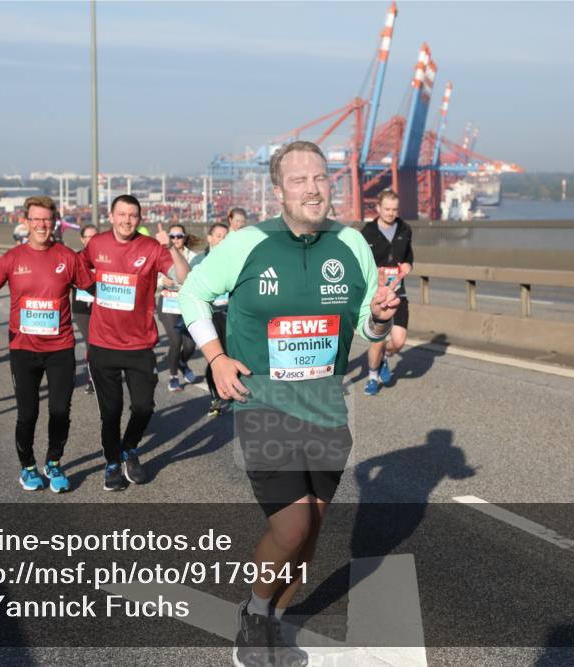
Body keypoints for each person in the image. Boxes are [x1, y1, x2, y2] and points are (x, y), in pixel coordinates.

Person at [178, 141, 399, 667]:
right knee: (292, 527)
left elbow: (367, 324)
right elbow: (193, 293)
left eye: (321, 178)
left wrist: (383, 319)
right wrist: (216, 357)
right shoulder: (248, 242)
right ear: (277, 191)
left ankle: (274, 626)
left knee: (310, 537)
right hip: (263, 407)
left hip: (326, 410)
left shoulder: (351, 243)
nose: (313, 189)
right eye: (299, 181)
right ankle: (253, 616)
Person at [0, 196, 94, 493]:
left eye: (47, 219)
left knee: (60, 410)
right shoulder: (12, 258)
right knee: (28, 413)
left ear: (55, 222)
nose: (42, 225)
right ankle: (28, 467)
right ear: (25, 222)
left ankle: (54, 463)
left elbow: (95, 289)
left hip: (60, 347)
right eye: (36, 219)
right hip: (23, 348)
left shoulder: (67, 257)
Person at [78, 194, 191, 491]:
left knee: (143, 406)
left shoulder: (152, 248)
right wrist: (93, 289)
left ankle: (129, 448)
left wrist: (170, 248)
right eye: (122, 214)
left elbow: (184, 276)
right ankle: (112, 463)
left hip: (140, 345)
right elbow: (77, 269)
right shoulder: (97, 244)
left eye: (133, 216)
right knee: (111, 411)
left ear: (139, 220)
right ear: (111, 216)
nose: (127, 220)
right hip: (103, 344)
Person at [360, 189, 414, 396]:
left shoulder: (405, 229)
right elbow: (361, 262)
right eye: (387, 209)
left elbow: (409, 256)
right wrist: (374, 272)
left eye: (394, 209)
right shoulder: (367, 232)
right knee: (378, 340)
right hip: (377, 295)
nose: (391, 213)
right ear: (378, 208)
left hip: (398, 293)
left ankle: (384, 358)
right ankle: (372, 377)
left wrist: (408, 266)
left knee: (398, 342)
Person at [189, 222, 230, 416]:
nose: (223, 239)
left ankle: (229, 390)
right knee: (216, 355)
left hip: (229, 312)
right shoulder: (199, 260)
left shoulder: (233, 259)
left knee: (230, 353)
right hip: (208, 313)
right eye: (219, 236)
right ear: (211, 238)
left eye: (226, 236)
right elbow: (189, 289)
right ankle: (215, 395)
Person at [157, 223, 198, 392]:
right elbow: (151, 275)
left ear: (184, 237)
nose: (175, 239)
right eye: (172, 236)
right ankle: (173, 376)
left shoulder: (193, 256)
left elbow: (196, 279)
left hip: (187, 302)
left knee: (190, 346)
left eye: (179, 236)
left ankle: (181, 361)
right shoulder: (161, 254)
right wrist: (161, 281)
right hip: (168, 301)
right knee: (175, 341)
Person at [71, 224, 98, 394]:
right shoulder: (75, 258)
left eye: (95, 237)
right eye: (88, 237)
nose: (91, 240)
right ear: (82, 239)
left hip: (101, 306)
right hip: (81, 307)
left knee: (101, 344)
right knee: (91, 343)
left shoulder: (105, 257)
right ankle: (92, 377)